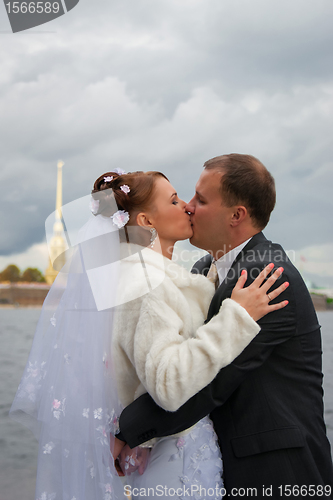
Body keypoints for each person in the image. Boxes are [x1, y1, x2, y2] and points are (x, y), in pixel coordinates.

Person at [10, 168, 287, 500]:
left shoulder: (151, 278)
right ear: (146, 221)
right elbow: (168, 383)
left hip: (174, 451)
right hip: (178, 466)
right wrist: (236, 318)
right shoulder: (145, 285)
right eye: (174, 200)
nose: (187, 206)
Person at [116, 155, 333, 499]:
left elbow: (216, 381)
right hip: (224, 469)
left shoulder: (268, 276)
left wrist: (127, 430)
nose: (189, 206)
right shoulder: (204, 268)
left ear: (237, 215)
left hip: (277, 473)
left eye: (201, 199)